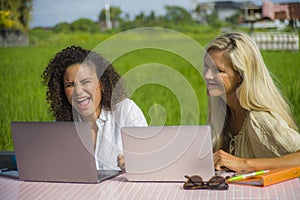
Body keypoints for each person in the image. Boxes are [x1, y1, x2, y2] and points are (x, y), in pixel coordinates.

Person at [203, 32, 300, 172]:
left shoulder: (259, 118)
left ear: (241, 77)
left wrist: (244, 164)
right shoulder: (221, 112)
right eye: (206, 67)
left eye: (218, 70)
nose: (207, 76)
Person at [42, 45, 147, 171]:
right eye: (70, 85)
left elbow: (150, 161)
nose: (79, 92)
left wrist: (137, 164)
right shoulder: (61, 125)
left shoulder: (126, 111)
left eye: (85, 82)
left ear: (102, 83)